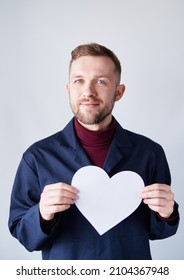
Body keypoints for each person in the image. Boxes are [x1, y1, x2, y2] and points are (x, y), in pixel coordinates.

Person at [9, 43, 179, 260]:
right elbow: (22, 233)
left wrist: (167, 214)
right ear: (69, 89)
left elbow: (159, 232)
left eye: (101, 81)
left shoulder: (150, 153)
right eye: (79, 81)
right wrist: (41, 214)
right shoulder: (37, 157)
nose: (88, 92)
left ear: (119, 92)